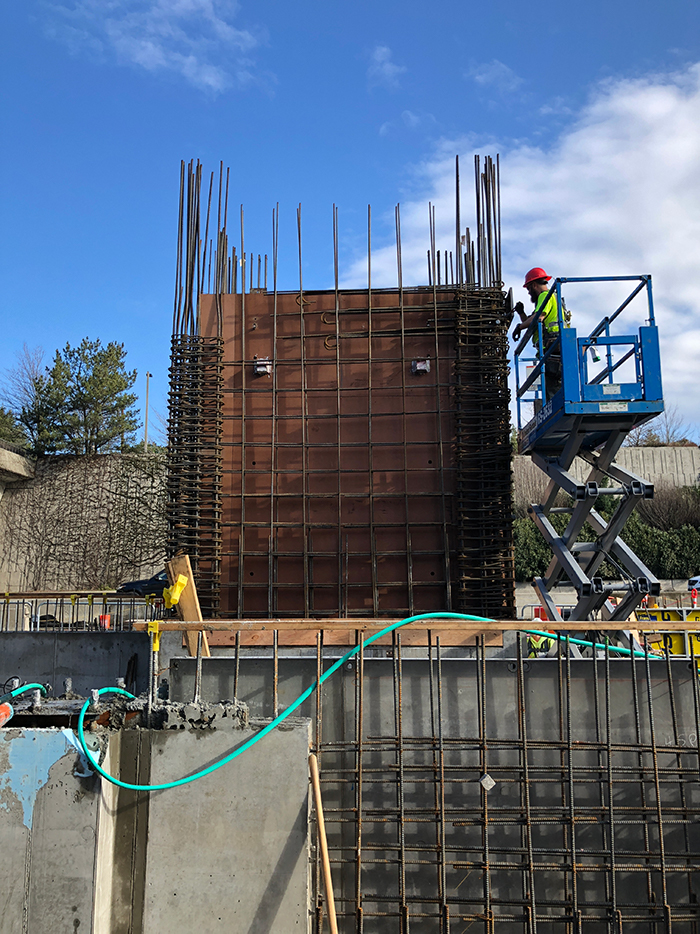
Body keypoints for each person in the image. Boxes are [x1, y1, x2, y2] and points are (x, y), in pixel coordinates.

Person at [512, 267, 564, 399]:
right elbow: (533, 324)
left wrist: (519, 327)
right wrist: (521, 313)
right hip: (555, 348)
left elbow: (538, 318)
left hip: (552, 347)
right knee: (555, 387)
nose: (529, 293)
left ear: (534, 285)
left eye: (529, 289)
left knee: (552, 393)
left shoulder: (545, 296)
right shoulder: (552, 298)